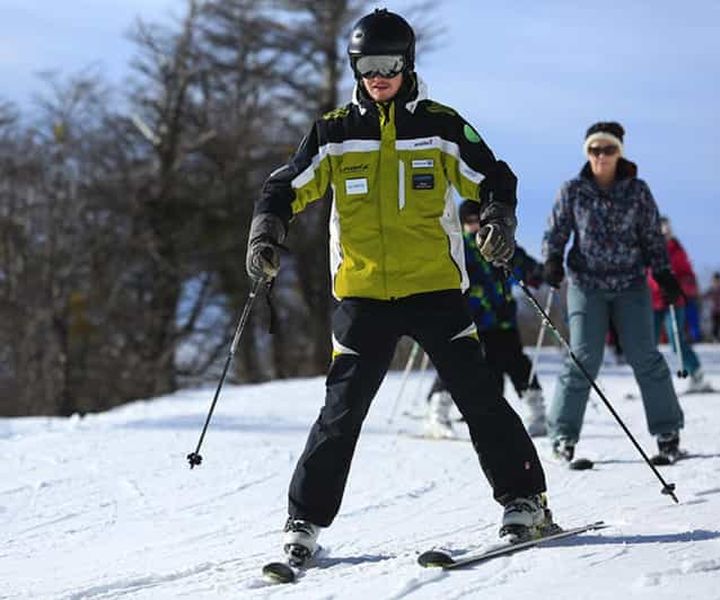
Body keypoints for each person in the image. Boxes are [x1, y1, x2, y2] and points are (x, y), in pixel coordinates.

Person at [246, 9, 553, 562]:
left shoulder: (440, 124)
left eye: (388, 64)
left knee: (478, 397)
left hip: (436, 290)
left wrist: (499, 221)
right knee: (341, 412)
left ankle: (526, 502)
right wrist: (266, 233)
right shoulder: (334, 132)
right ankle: (305, 520)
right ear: (355, 68)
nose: (377, 76)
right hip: (363, 295)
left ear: (407, 65)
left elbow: (493, 176)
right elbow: (283, 186)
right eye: (366, 66)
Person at [541, 121, 685, 464]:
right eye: (594, 150)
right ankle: (562, 435)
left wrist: (663, 271)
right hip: (586, 285)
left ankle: (667, 431)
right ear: (587, 154)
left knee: (644, 354)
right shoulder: (573, 190)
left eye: (607, 150)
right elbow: (557, 230)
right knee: (583, 356)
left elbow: (651, 235)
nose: (600, 156)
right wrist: (551, 260)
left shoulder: (637, 191)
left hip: (630, 284)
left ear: (619, 153)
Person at [424, 200, 547, 438]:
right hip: (469, 322)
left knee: (518, 365)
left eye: (477, 221)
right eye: (468, 222)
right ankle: (437, 413)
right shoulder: (459, 249)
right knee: (456, 365)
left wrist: (542, 273)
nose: (473, 226)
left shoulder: (500, 245)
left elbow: (525, 267)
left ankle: (537, 414)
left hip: (502, 321)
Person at [648, 217, 710, 392]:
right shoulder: (647, 249)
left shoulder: (676, 250)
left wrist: (675, 287)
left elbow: (688, 276)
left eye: (667, 230)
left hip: (673, 302)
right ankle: (649, 381)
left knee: (676, 341)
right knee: (647, 343)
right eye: (661, 230)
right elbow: (645, 275)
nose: (664, 233)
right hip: (653, 302)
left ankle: (696, 372)